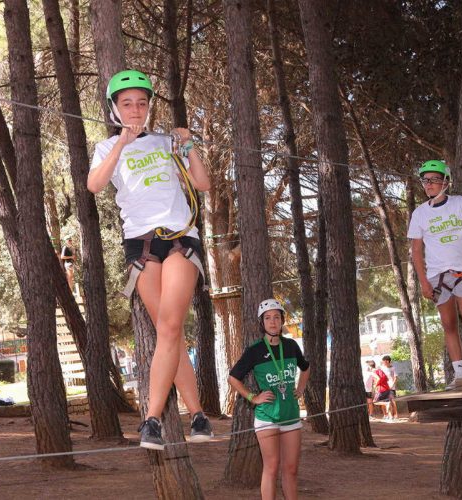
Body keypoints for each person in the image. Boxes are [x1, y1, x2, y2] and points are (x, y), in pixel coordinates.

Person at [87, 69, 212, 450]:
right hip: (140, 245)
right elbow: (94, 185)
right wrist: (123, 144)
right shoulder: (108, 148)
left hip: (178, 239)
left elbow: (203, 184)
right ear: (114, 109)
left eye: (142, 102)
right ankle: (199, 415)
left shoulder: (165, 142)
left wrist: (188, 146)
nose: (136, 109)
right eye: (127, 103)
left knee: (171, 326)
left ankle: (152, 419)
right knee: (167, 332)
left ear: (149, 106)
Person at [408, 160, 462, 389]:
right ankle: (459, 373)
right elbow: (416, 251)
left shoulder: (459, 203)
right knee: (448, 324)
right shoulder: (420, 214)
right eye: (426, 180)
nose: (429, 184)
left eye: (435, 179)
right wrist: (424, 282)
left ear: (446, 182)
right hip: (438, 276)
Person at [228, 299, 310, 500]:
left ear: (282, 320)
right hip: (267, 418)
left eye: (276, 317)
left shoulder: (291, 346)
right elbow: (233, 377)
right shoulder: (255, 350)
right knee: (271, 468)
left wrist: (300, 389)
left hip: (291, 416)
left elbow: (305, 368)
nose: (272, 322)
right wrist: (252, 397)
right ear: (262, 322)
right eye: (267, 318)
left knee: (291, 469)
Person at [378, 355, 398, 419]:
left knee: (393, 401)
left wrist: (392, 384)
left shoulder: (393, 368)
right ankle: (386, 415)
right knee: (383, 401)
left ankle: (395, 414)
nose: (385, 362)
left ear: (389, 361)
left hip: (391, 387)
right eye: (384, 361)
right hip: (383, 387)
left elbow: (396, 377)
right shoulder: (381, 368)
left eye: (386, 360)